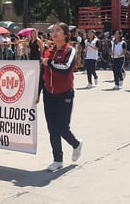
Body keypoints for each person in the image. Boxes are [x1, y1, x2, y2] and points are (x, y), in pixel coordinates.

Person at [41, 22, 83, 171]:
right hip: (49, 94)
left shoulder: (70, 50)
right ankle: (57, 159)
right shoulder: (48, 52)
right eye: (53, 31)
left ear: (66, 35)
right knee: (52, 128)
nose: (55, 33)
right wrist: (38, 92)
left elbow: (65, 68)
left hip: (65, 93)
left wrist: (50, 63)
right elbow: (43, 74)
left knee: (62, 127)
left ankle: (76, 144)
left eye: (58, 31)